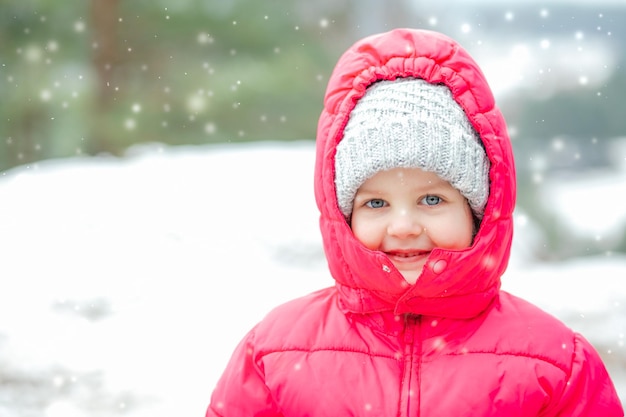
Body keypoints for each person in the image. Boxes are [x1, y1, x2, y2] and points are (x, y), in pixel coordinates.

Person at [205, 28, 624, 416]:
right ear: (342, 213)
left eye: (431, 199)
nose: (403, 225)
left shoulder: (553, 363)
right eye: (375, 204)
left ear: (478, 209)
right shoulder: (274, 355)